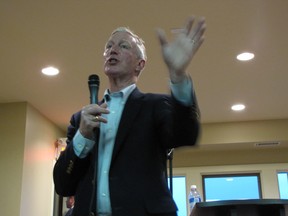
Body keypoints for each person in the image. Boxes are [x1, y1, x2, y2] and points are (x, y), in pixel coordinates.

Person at [53, 16, 206, 216]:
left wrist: (177, 75)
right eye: (108, 47)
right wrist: (82, 135)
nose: (112, 50)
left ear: (140, 64)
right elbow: (63, 185)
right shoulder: (80, 120)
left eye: (123, 46)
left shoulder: (155, 106)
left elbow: (186, 135)